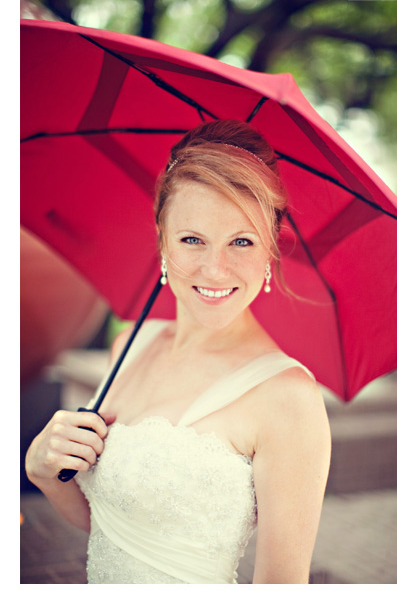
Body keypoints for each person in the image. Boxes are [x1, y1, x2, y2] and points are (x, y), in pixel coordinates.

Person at [25, 120, 331, 583]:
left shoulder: (288, 399)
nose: (214, 268)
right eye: (192, 239)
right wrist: (43, 470)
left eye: (241, 241)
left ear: (271, 248)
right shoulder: (130, 345)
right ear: (161, 236)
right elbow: (112, 526)